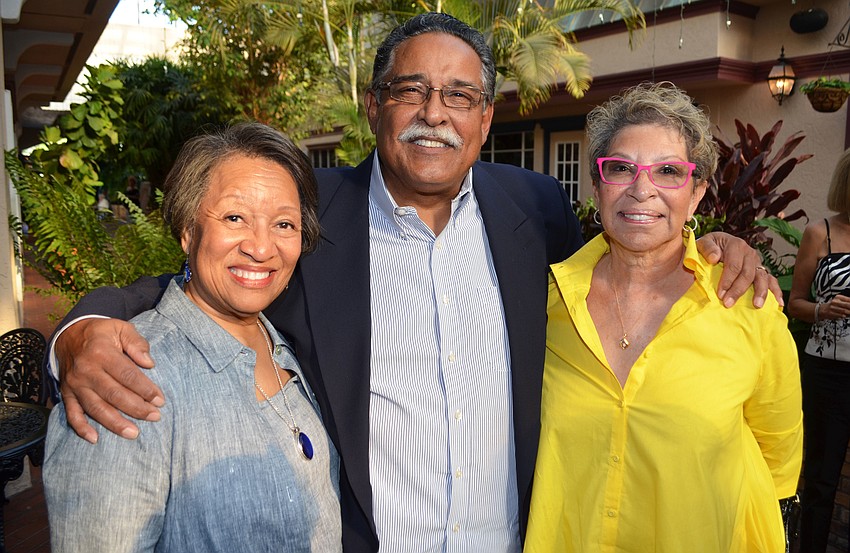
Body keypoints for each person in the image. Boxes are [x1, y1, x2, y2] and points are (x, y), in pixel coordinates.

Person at [50, 14, 777, 553]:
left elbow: (629, 261)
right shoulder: (312, 214)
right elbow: (207, 268)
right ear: (375, 105)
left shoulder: (534, 208)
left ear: (486, 118)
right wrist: (78, 331)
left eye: (461, 95)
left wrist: (713, 244)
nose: (436, 112)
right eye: (413, 90)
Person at [525, 82, 803, 552]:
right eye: (620, 169)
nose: (641, 189)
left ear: (696, 194)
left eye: (668, 172)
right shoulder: (542, 303)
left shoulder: (750, 312)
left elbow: (777, 473)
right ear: (597, 186)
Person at [43, 122, 341, 552]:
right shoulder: (125, 380)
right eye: (235, 217)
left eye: (284, 224)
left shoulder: (282, 344)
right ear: (187, 230)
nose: (261, 247)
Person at [788, 147, 850, 552]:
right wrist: (823, 309)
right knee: (822, 479)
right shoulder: (820, 233)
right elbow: (793, 303)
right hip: (828, 373)